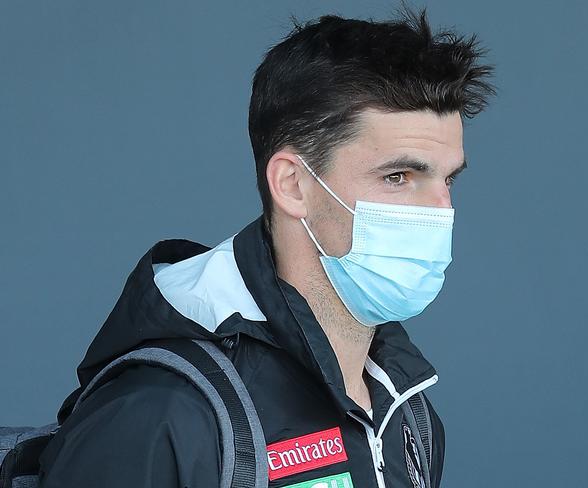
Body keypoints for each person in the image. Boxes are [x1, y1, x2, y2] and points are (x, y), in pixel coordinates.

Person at [38, 5, 496, 488]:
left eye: (447, 179)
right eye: (398, 177)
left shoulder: (407, 409)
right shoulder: (162, 414)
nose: (438, 211)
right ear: (293, 184)